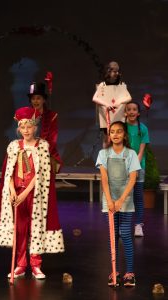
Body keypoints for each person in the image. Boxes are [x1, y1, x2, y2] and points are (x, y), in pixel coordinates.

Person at [0, 106, 65, 280]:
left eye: (29, 126)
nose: (26, 130)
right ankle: (21, 264)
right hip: (16, 194)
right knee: (20, 229)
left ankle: (35, 264)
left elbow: (42, 174)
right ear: (18, 128)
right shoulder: (14, 146)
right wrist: (11, 190)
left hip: (35, 194)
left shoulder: (42, 146)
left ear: (35, 127)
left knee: (36, 228)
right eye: (23, 127)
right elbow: (8, 171)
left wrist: (26, 193)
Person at [96, 121, 141, 287]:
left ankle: (130, 272)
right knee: (113, 236)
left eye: (119, 131)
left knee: (125, 234)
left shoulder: (130, 154)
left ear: (124, 135)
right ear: (109, 135)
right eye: (112, 132)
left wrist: (121, 199)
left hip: (125, 199)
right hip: (109, 199)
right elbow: (104, 178)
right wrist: (109, 200)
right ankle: (114, 270)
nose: (115, 134)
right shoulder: (103, 153)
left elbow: (133, 178)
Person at [125, 101, 150, 237]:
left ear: (138, 113)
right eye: (129, 109)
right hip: (124, 167)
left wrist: (134, 166)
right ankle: (125, 226)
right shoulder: (122, 128)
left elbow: (141, 151)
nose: (132, 112)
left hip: (139, 167)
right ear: (125, 112)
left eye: (134, 109)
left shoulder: (143, 128)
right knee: (126, 197)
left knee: (138, 197)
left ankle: (138, 225)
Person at [93, 61, 132, 147]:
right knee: (107, 138)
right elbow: (95, 98)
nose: (116, 73)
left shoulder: (121, 85)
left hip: (118, 116)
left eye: (117, 71)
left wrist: (120, 102)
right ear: (109, 71)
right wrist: (106, 104)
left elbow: (129, 97)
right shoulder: (102, 85)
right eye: (114, 71)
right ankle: (105, 157)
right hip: (106, 116)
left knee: (120, 137)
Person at [27, 81, 63, 173]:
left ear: (44, 100)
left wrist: (41, 153)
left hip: (47, 153)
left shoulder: (52, 116)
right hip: (28, 152)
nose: (35, 101)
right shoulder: (26, 116)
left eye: (38, 98)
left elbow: (52, 139)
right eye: (33, 98)